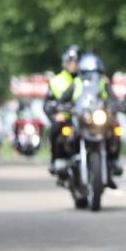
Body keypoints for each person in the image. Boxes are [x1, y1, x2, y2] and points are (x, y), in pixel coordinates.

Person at [57, 53, 126, 188]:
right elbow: (63, 99)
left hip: (99, 118)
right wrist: (60, 106)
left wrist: (121, 106)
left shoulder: (103, 83)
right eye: (88, 72)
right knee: (65, 133)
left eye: (95, 72)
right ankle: (63, 163)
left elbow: (112, 98)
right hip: (81, 118)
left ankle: (113, 162)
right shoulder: (77, 83)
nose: (92, 75)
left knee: (115, 132)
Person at [44, 45, 79, 175]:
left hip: (83, 117)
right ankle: (55, 159)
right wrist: (55, 115)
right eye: (71, 61)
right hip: (65, 118)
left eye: (77, 61)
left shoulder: (86, 80)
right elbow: (48, 103)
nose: (74, 64)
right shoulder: (56, 81)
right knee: (56, 128)